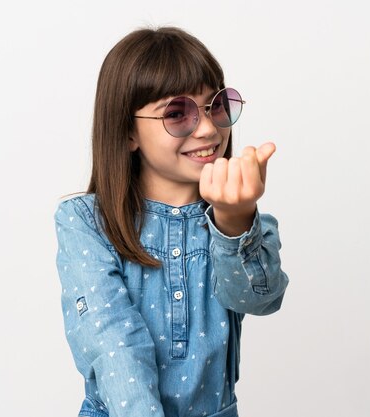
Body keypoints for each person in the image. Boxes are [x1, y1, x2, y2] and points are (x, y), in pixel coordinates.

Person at [54, 26, 289, 417]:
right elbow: (114, 345)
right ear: (129, 131)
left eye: (216, 105)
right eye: (177, 114)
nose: (209, 129)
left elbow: (262, 298)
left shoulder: (238, 221)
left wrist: (234, 220)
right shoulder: (86, 223)